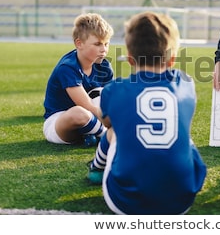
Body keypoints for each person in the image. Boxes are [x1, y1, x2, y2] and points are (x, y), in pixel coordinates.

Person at [87, 11, 207, 215]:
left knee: (115, 130)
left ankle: (97, 168)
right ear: (173, 59)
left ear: (130, 59)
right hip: (181, 201)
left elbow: (108, 123)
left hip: (125, 202)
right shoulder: (185, 82)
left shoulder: (114, 89)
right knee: (182, 132)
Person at [42, 13, 114, 146]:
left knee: (105, 95)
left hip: (92, 116)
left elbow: (110, 98)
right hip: (60, 120)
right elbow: (86, 106)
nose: (104, 49)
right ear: (79, 43)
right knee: (79, 113)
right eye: (98, 44)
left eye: (106, 44)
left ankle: (93, 134)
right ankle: (108, 137)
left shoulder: (104, 65)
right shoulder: (68, 67)